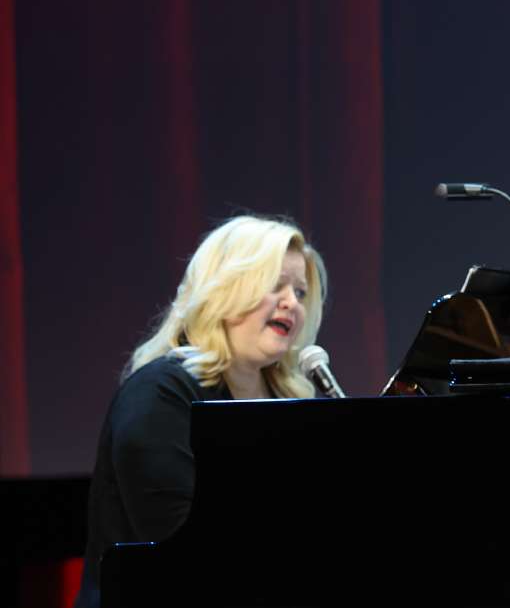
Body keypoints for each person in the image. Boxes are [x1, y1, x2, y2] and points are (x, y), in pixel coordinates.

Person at [73, 215, 327, 608]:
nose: (292, 302)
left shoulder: (289, 398)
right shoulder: (160, 393)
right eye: (275, 285)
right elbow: (179, 544)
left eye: (300, 292)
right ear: (225, 290)